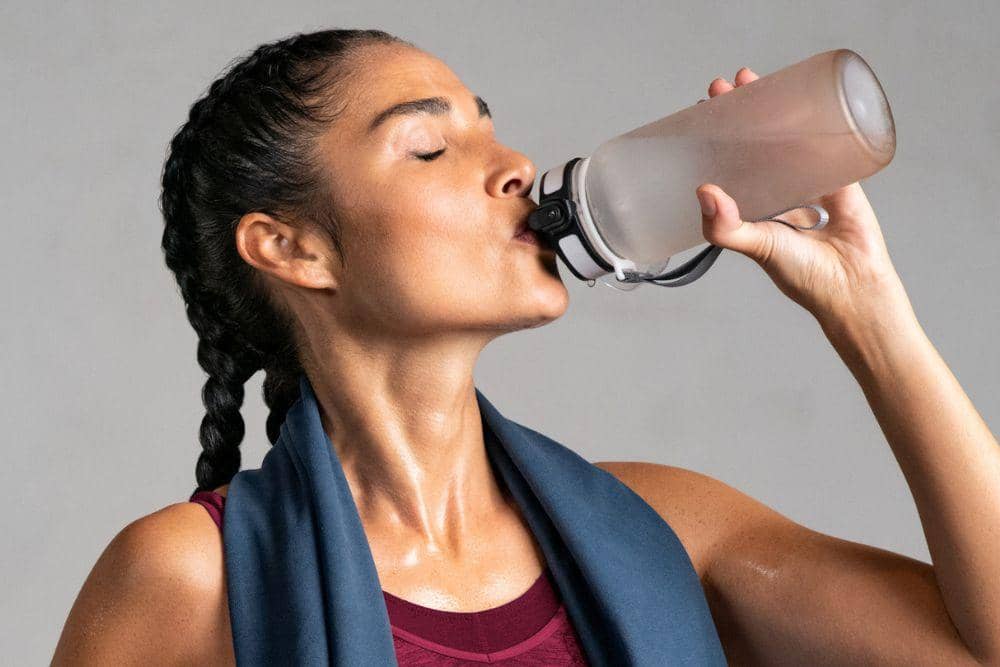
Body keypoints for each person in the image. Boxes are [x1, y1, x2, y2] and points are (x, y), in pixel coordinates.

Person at [52, 28, 999, 666]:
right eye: (431, 148)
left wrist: (870, 313)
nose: (515, 167)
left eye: (492, 129)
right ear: (294, 248)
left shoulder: (666, 529)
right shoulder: (190, 576)